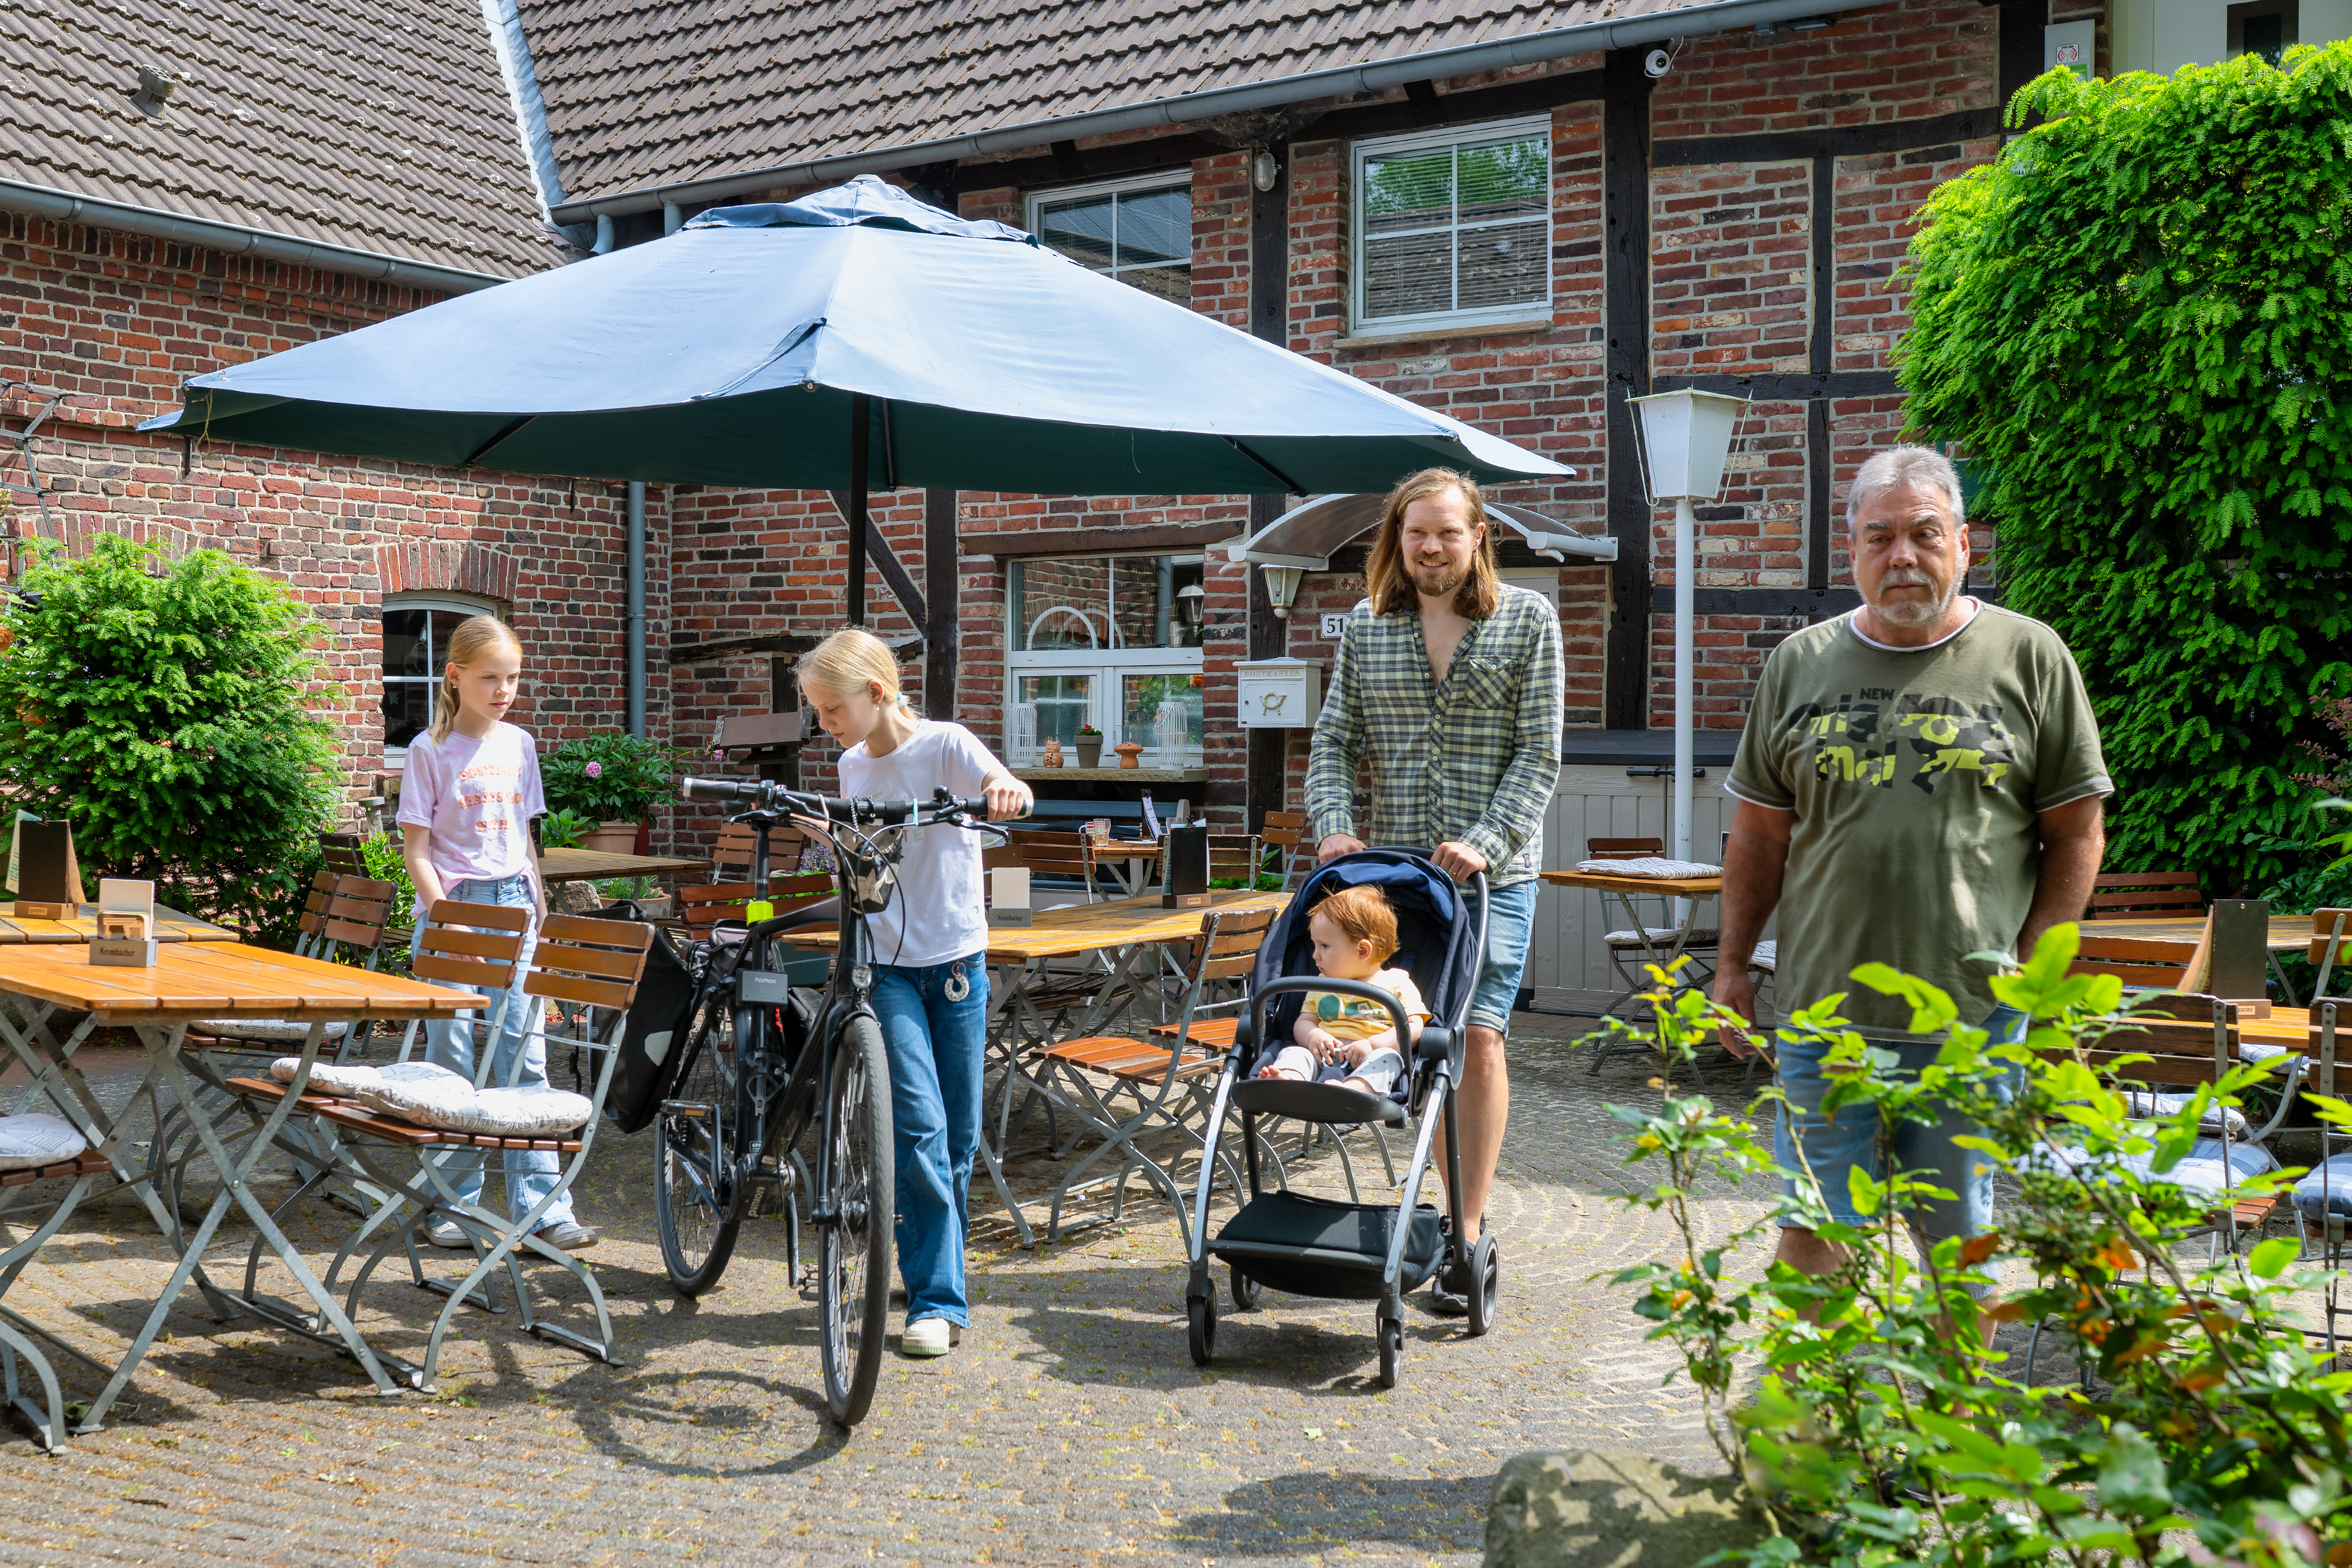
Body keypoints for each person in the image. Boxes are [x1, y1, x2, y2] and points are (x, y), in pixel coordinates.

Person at [1712, 444, 2110, 1288]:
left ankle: (1949, 1409)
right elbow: (1756, 837)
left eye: (1923, 535)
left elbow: (2075, 832)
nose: (1900, 556)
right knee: (1814, 1234)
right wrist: (1729, 965)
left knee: (1958, 1250)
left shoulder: (2028, 657)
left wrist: (2035, 976)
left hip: (1969, 1020)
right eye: (1877, 537)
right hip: (1824, 1018)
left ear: (1962, 545)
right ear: (1850, 551)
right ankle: (1818, 1420)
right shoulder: (1797, 664)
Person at [1306, 466, 1564, 1314]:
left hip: (1492, 877)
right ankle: (1414, 1206)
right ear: (1397, 539)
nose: (1431, 547)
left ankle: (1463, 1228)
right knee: (1410, 1036)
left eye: (1448, 532)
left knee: (1477, 1039)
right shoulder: (1364, 629)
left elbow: (1539, 755)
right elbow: (1334, 740)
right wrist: (1334, 824)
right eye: (1416, 533)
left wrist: (1484, 841)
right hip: (1394, 880)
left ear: (1477, 535)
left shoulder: (1528, 621)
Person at [800, 629, 1032, 1360]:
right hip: (888, 965)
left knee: (959, 1136)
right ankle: (936, 1299)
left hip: (958, 960)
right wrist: (831, 836)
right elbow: (866, 861)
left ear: (876, 692)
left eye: (832, 708)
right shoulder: (849, 767)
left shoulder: (948, 746)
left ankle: (932, 1268)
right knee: (921, 1127)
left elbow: (1010, 788)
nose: (826, 725)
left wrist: (1008, 790)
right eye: (817, 710)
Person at [398, 614, 600, 1252]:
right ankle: (452, 1206)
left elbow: (525, 850)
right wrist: (450, 920)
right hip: (456, 910)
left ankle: (543, 1209)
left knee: (525, 1057)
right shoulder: (428, 752)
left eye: (512, 678)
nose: (504, 689)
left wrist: (544, 930)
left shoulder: (520, 745)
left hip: (515, 909)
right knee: (453, 1060)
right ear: (455, 677)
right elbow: (417, 851)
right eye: (490, 678)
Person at [1256, 886, 1427, 1097]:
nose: (1315, 956)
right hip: (1324, 1057)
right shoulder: (1322, 984)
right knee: (1294, 1052)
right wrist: (1313, 1035)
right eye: (1315, 946)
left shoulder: (1396, 983)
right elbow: (1304, 1021)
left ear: (1362, 950)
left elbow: (1414, 1027)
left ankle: (1351, 1090)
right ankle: (1290, 1081)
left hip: (1368, 1057)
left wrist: (1373, 1045)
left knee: (1388, 1059)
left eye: (1324, 947)